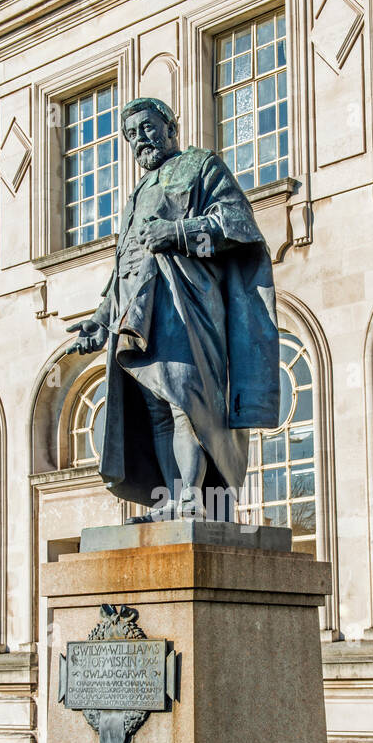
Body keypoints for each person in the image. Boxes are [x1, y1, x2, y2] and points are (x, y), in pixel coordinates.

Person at [66, 97, 280, 520]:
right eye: (130, 135)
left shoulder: (200, 165)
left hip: (186, 306)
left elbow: (237, 224)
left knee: (186, 401)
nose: (139, 140)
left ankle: (191, 504)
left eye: (146, 127)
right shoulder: (136, 194)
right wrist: (100, 320)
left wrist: (178, 231)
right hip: (137, 314)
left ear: (170, 126)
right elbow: (125, 267)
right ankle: (173, 503)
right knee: (157, 409)